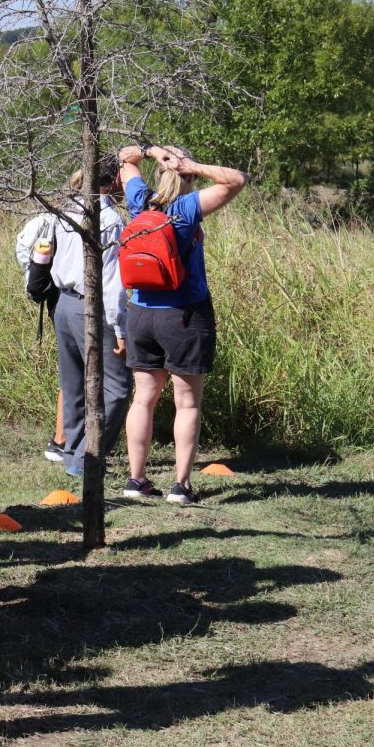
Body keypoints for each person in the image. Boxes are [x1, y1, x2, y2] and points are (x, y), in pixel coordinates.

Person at [118, 143, 247, 504]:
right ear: (188, 177)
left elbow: (124, 159)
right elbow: (237, 180)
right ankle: (180, 485)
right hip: (185, 315)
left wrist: (148, 150)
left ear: (159, 171)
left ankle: (136, 480)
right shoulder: (186, 209)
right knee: (187, 403)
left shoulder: (140, 201)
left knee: (143, 399)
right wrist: (193, 163)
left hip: (141, 313)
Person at [32, 157, 131, 478]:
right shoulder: (109, 219)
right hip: (93, 306)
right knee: (117, 387)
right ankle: (88, 455)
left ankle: (74, 455)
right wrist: (121, 327)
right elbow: (112, 280)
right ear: (114, 180)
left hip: (62, 304)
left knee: (73, 384)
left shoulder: (66, 209)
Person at [16, 213, 67, 462]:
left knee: (71, 372)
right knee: (76, 373)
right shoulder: (79, 219)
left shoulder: (54, 218)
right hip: (70, 298)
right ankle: (63, 440)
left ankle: (62, 439)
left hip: (57, 302)